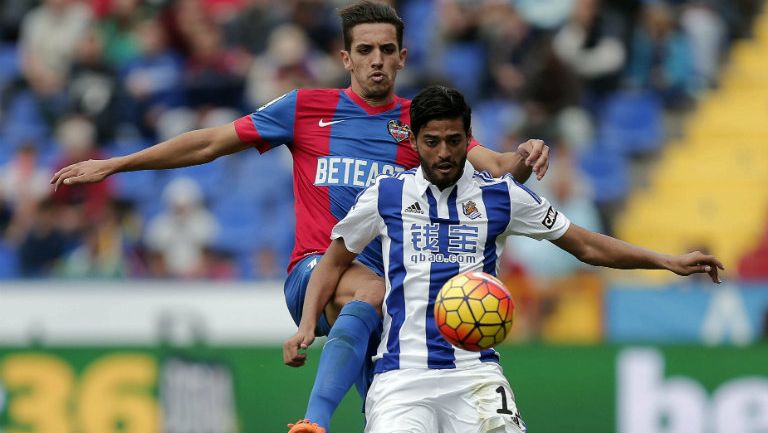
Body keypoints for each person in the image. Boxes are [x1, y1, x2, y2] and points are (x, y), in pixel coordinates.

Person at [50, 2, 551, 432]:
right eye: (364, 50)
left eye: (385, 51)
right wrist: (117, 162)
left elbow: (497, 172)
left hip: (396, 296)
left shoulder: (423, 126)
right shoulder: (304, 108)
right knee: (368, 292)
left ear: (403, 56)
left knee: (386, 401)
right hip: (317, 270)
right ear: (345, 58)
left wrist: (526, 154)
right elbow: (209, 142)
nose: (376, 61)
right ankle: (312, 421)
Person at [284, 85, 723, 433]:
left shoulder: (503, 198)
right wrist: (307, 326)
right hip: (401, 377)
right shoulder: (386, 195)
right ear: (414, 141)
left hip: (475, 375)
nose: (443, 152)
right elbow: (333, 262)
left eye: (454, 140)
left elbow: (585, 244)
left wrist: (666, 261)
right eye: (432, 141)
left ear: (467, 138)